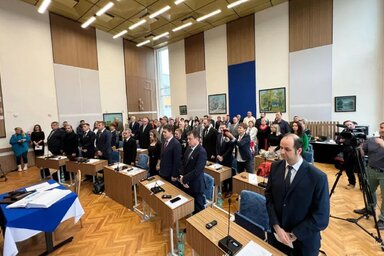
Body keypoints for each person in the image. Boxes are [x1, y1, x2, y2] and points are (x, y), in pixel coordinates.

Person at [265, 134, 330, 255]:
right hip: (277, 237)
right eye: (281, 148)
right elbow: (269, 197)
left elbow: (321, 217)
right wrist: (276, 226)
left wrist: (294, 234)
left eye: (287, 149)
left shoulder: (318, 177)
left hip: (304, 242)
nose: (282, 152)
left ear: (299, 150)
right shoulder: (275, 167)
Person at [354, 122, 384, 229]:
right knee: (369, 191)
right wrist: (360, 148)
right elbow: (363, 151)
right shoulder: (372, 140)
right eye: (381, 127)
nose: (382, 129)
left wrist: (382, 144)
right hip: (370, 170)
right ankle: (370, 209)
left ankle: (382, 219)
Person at [179, 130, 207, 214]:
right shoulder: (188, 148)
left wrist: (184, 179)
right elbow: (183, 163)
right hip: (186, 182)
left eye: (190, 139)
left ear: (196, 139)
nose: (187, 141)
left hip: (196, 185)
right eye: (187, 139)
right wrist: (181, 176)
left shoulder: (202, 151)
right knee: (190, 207)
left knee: (198, 210)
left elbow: (197, 170)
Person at [336, 120, 358, 189]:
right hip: (347, 153)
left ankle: (364, 186)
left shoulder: (357, 131)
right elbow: (337, 141)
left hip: (358, 153)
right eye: (347, 125)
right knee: (348, 169)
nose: (349, 126)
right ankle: (352, 183)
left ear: (353, 125)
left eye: (350, 124)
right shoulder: (343, 132)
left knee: (360, 170)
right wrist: (340, 141)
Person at [216, 122, 235, 195]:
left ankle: (230, 189)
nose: (221, 129)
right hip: (220, 159)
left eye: (223, 128)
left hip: (227, 159)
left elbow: (230, 149)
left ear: (226, 128)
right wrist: (217, 155)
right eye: (220, 128)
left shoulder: (229, 136)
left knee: (229, 175)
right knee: (222, 173)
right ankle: (224, 187)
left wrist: (222, 156)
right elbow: (217, 147)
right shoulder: (218, 136)